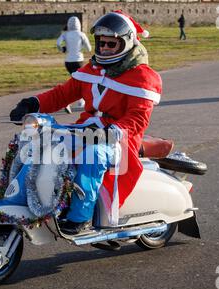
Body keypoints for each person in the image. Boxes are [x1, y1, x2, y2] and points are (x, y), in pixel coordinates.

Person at [10, 10, 162, 235]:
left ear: (127, 43)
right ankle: (18, 198)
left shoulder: (141, 76)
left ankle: (80, 218)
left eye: (112, 44)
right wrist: (32, 103)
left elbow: (138, 119)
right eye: (101, 44)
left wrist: (112, 131)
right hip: (84, 130)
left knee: (94, 155)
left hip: (120, 140)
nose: (105, 49)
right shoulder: (92, 69)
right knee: (41, 144)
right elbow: (61, 95)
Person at [56, 16, 91, 114]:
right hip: (78, 61)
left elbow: (58, 43)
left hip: (68, 62)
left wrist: (62, 49)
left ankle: (80, 101)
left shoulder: (65, 34)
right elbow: (89, 48)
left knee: (76, 82)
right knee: (80, 82)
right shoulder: (81, 34)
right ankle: (74, 102)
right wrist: (81, 46)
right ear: (79, 24)